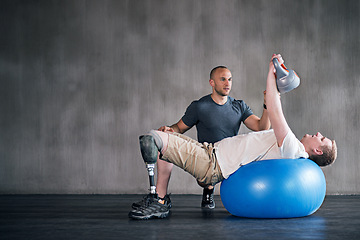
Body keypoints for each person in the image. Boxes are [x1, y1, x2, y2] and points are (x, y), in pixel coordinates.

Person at [128, 54, 337, 220]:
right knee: (165, 136)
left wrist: (272, 72)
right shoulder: (201, 105)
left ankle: (158, 200)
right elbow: (270, 114)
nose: (318, 134)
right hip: (210, 151)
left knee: (154, 137)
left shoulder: (294, 148)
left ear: (317, 151)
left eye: (322, 138)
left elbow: (274, 110)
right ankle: (161, 200)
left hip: (212, 163)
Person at [131, 64, 271, 215]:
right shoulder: (200, 107)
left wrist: (267, 103)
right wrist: (168, 130)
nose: (227, 83)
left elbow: (261, 127)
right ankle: (163, 198)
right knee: (163, 143)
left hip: (231, 161)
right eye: (223, 79)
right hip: (208, 160)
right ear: (212, 83)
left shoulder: (239, 106)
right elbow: (179, 128)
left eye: (230, 79)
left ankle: (165, 199)